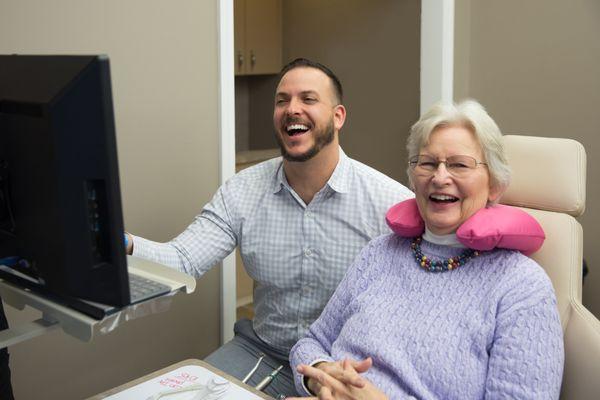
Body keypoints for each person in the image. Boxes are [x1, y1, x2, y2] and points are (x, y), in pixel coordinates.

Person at [126, 58, 413, 397]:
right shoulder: (242, 191)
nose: (292, 109)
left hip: (343, 367)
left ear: (338, 117)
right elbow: (183, 260)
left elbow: (411, 307)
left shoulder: (390, 204)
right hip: (259, 351)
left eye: (308, 99)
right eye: (282, 100)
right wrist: (120, 243)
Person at [288, 100, 564, 399]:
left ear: (494, 184)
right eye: (428, 163)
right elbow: (312, 341)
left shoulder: (521, 286)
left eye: (459, 164)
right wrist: (320, 378)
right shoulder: (379, 253)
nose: (440, 177)